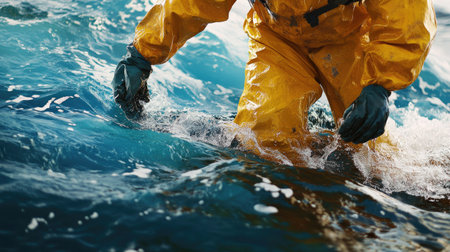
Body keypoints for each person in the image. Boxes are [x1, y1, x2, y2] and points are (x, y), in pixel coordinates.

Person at [111, 0, 436, 166]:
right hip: (278, 40)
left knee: (369, 156)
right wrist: (141, 54)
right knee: (265, 145)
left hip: (347, 39)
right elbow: (194, 3)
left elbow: (405, 10)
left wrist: (380, 84)